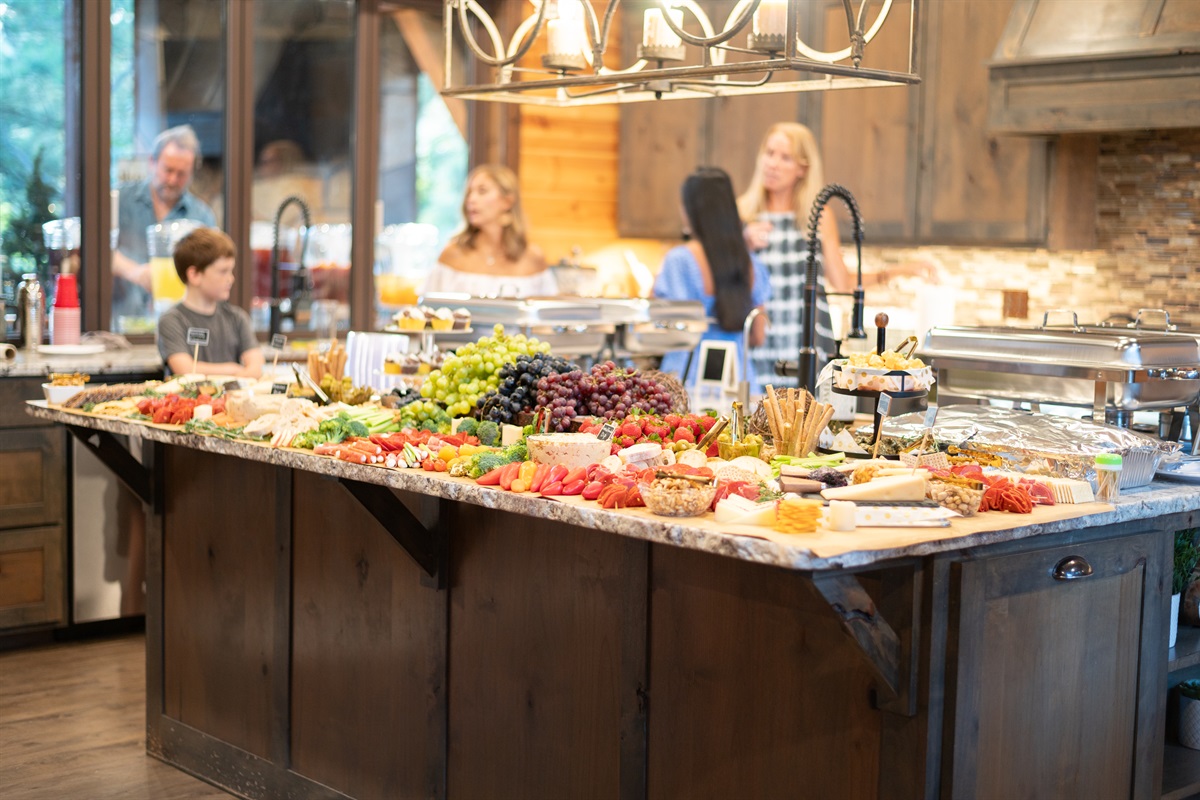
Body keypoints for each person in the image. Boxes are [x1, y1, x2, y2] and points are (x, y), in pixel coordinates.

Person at [737, 122, 936, 386]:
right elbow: (722, 283)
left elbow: (842, 283)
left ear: (802, 168)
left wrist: (899, 271)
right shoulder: (742, 215)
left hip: (806, 343)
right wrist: (743, 245)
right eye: (769, 153)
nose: (772, 163)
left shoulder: (818, 216)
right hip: (757, 343)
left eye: (785, 158)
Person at [653, 167, 770, 393]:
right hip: (739, 384)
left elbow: (660, 332)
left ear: (691, 210)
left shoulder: (679, 261)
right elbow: (757, 336)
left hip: (686, 382)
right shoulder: (751, 263)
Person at [113, 125, 217, 321]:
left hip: (180, 326)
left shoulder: (201, 217)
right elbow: (96, 250)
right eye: (168, 170)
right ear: (153, 162)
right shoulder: (119, 200)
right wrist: (135, 272)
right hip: (121, 324)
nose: (172, 179)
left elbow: (212, 273)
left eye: (181, 174)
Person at [423, 164, 556, 298]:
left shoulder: (533, 258)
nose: (471, 199)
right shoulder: (452, 253)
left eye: (482, 191)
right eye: (469, 192)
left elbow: (550, 313)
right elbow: (426, 307)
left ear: (507, 201)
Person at [157, 227, 263, 378]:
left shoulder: (238, 317)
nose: (230, 279)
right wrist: (234, 369)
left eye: (231, 271)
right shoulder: (172, 320)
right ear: (194, 275)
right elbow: (184, 369)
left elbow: (256, 368)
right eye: (223, 271)